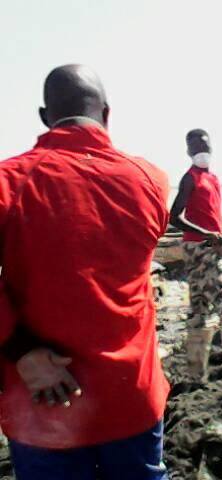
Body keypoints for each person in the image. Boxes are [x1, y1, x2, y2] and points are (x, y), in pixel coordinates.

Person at [0, 65, 170, 479]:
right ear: (107, 114)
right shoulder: (152, 181)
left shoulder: (11, 181)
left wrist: (21, 350)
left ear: (44, 116)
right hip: (133, 397)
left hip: (46, 405)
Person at [170, 130, 222, 379]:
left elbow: (214, 215)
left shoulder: (213, 178)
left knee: (200, 308)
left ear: (211, 148)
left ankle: (196, 373)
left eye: (204, 146)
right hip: (199, 248)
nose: (200, 151)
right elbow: (175, 216)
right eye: (195, 148)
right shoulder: (189, 178)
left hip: (214, 245)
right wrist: (207, 234)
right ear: (188, 152)